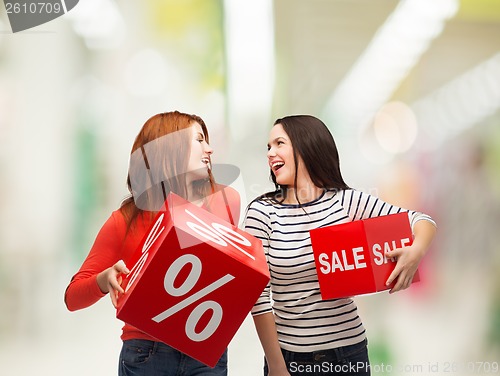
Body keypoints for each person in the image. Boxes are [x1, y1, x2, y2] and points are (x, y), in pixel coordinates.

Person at [243, 115, 437, 376]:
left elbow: (421, 220)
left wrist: (417, 251)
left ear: (306, 145)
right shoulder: (262, 212)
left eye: (279, 143)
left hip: (349, 354)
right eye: (268, 147)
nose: (270, 153)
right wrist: (277, 365)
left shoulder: (345, 202)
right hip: (289, 358)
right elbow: (259, 296)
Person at [65, 111, 240, 376]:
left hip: (204, 352)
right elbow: (72, 297)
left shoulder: (227, 201)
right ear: (170, 147)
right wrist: (104, 279)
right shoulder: (125, 220)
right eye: (200, 140)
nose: (210, 149)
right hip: (146, 354)